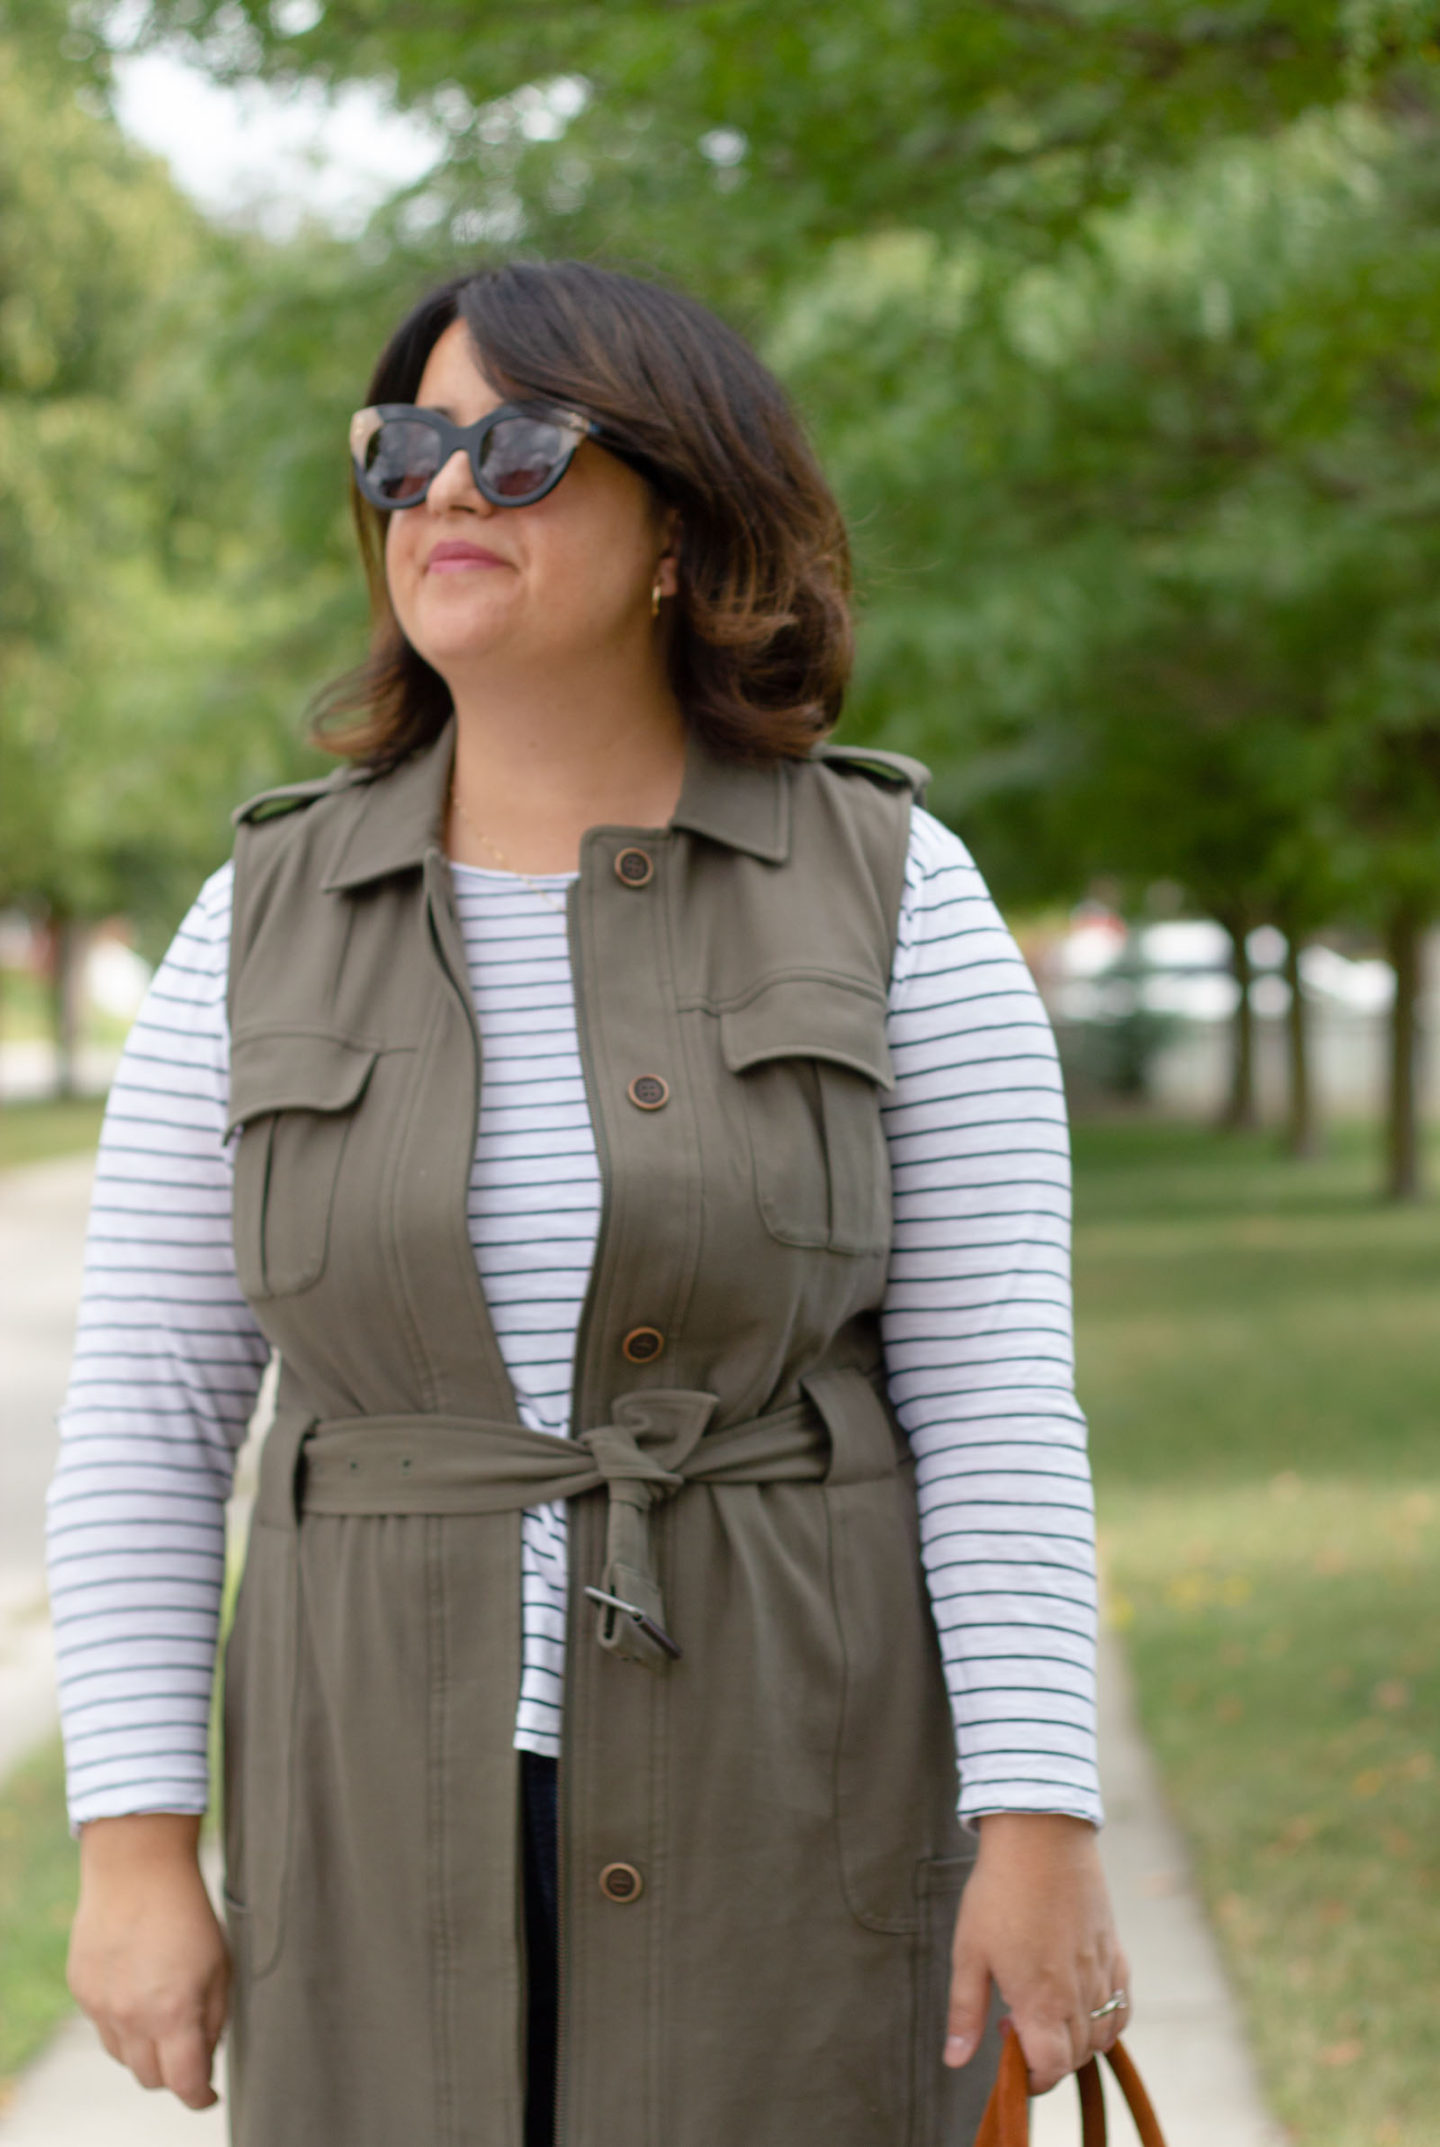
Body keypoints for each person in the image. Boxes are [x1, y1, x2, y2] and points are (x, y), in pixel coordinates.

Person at [48, 259, 1128, 2147]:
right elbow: (147, 1423)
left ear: (679, 531)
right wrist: (135, 1850)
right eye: (408, 449)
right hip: (377, 1800)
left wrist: (1042, 1823)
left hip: (797, 1782)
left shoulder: (892, 891)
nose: (449, 490)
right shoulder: (258, 923)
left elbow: (996, 1404)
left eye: (523, 446)